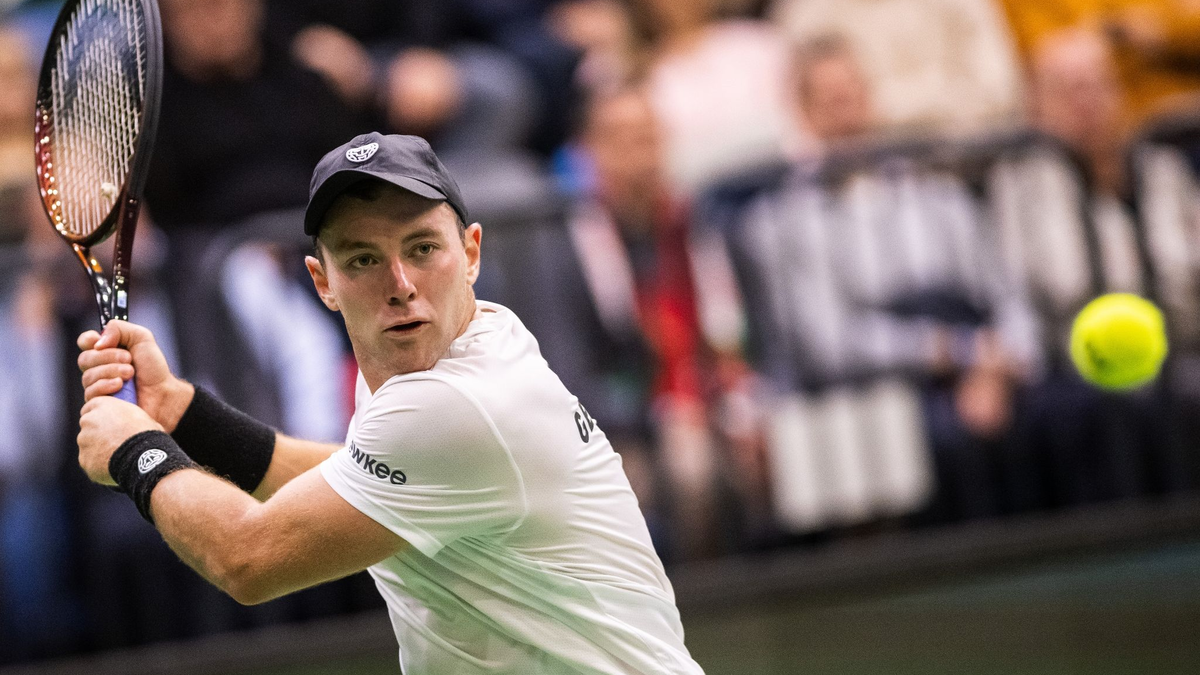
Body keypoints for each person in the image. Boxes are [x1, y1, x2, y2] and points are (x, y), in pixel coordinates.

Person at [75, 132, 705, 675]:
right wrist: (181, 411)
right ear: (324, 283)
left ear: (472, 253)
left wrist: (136, 451)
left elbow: (248, 557)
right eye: (364, 259)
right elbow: (347, 479)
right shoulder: (448, 349)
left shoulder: (453, 404)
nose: (400, 285)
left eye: (422, 248)